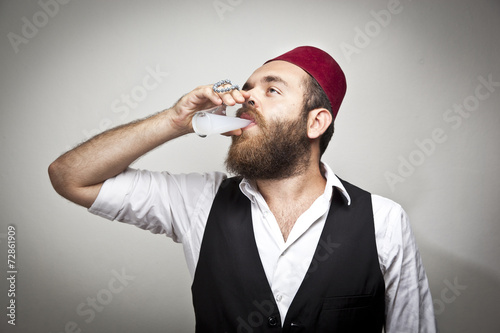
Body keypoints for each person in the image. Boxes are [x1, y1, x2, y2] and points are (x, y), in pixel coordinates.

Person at [49, 46, 436, 332]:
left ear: (315, 122)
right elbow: (71, 177)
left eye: (272, 90)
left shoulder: (383, 220)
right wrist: (175, 119)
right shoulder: (199, 202)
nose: (246, 97)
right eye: (248, 88)